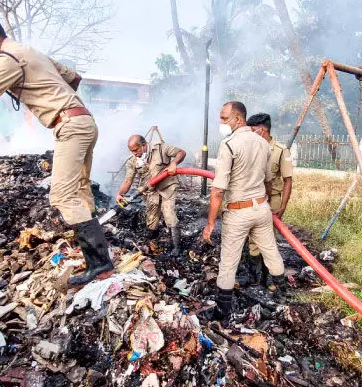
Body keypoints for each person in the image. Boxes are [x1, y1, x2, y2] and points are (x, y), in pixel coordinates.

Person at [0, 15, 112, 286]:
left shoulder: (7, 59)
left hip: (70, 125)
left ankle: (101, 265)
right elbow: (74, 77)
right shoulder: (29, 51)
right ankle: (99, 262)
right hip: (83, 121)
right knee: (80, 190)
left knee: (62, 195)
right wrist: (58, 99)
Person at [202, 101, 286, 326]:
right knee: (271, 251)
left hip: (238, 212)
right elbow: (269, 181)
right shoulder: (263, 143)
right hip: (261, 208)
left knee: (228, 262)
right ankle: (283, 299)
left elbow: (218, 190)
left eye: (223, 118)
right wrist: (262, 203)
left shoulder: (228, 145)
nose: (221, 123)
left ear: (237, 119)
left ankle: (222, 312)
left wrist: (210, 224)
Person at [245, 113, 293, 289]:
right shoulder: (250, 147)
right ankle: (253, 279)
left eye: (251, 130)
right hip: (252, 199)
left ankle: (268, 280)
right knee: (251, 240)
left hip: (271, 201)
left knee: (268, 241)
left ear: (262, 129)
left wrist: (282, 206)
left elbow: (288, 180)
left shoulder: (280, 150)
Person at [116, 135, 186, 255]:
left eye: (135, 150)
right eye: (131, 151)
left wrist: (173, 163)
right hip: (151, 190)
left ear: (143, 145)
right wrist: (119, 193)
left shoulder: (160, 148)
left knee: (168, 213)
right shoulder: (133, 161)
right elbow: (128, 181)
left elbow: (181, 152)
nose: (134, 154)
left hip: (167, 186)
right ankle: (151, 241)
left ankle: (176, 247)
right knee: (151, 218)